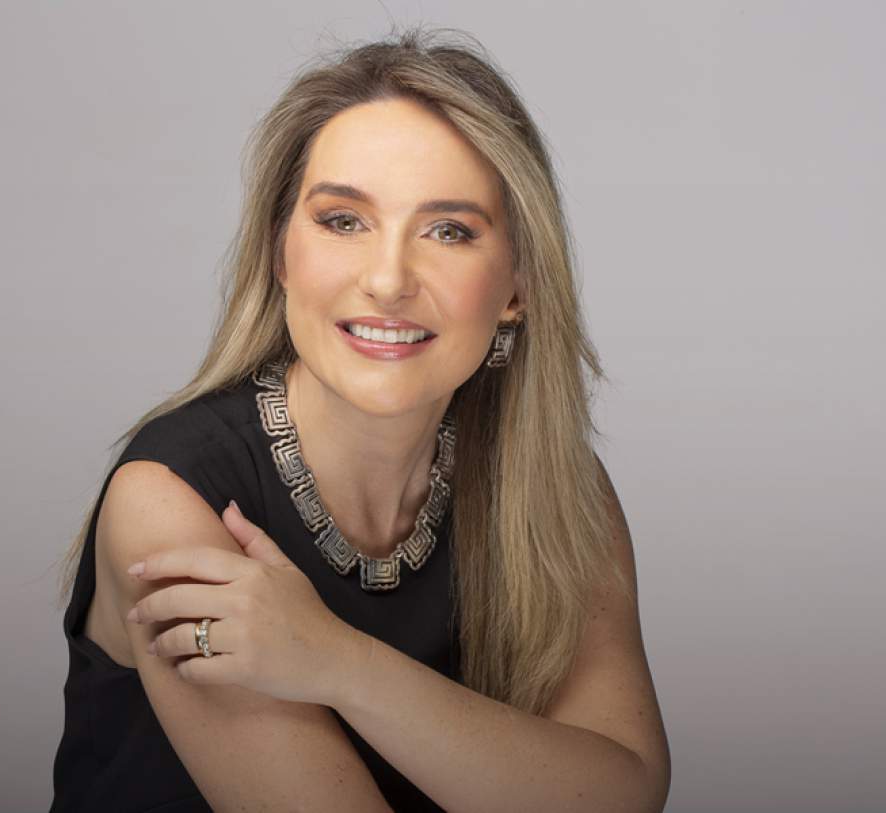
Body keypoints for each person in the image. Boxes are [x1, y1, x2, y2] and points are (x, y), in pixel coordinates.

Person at [50, 25, 670, 813]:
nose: (387, 279)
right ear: (280, 252)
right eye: (344, 220)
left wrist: (336, 660)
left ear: (517, 285)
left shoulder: (555, 486)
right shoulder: (169, 500)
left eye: (448, 230)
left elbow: (623, 793)